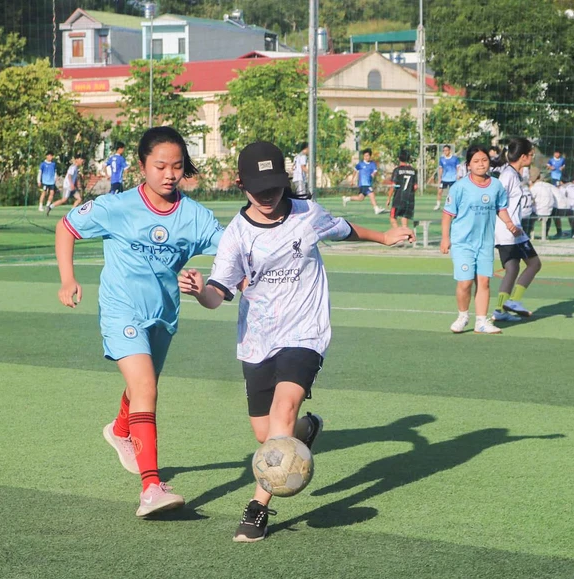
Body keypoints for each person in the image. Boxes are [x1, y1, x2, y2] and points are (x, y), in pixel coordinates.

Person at [178, 141, 414, 543]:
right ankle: (307, 430)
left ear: (286, 181)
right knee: (265, 434)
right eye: (259, 188)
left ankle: (257, 509)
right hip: (257, 338)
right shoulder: (235, 235)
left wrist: (385, 236)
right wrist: (200, 291)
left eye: (275, 186)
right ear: (240, 184)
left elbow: (344, 228)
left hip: (305, 332)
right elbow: (219, 293)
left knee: (282, 412)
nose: (269, 195)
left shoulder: (307, 214)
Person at [54, 126, 224, 518]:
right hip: (120, 310)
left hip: (162, 314)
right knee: (145, 385)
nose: (169, 174)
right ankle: (151, 487)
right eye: (160, 165)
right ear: (141, 166)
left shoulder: (195, 217)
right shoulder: (117, 206)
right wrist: (68, 278)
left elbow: (232, 252)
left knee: (142, 386)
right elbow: (66, 228)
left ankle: (119, 430)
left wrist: (207, 283)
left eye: (177, 167)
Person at [441, 144, 520, 335]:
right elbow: (447, 214)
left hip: (485, 243)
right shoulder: (460, 187)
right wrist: (445, 238)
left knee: (483, 282)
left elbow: (501, 207)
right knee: (465, 282)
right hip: (463, 243)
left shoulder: (496, 185)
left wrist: (509, 224)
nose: (481, 164)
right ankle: (462, 316)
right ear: (468, 165)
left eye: (484, 160)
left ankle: (482, 322)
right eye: (476, 161)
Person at [492, 138, 542, 322]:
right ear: (523, 156)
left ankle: (499, 309)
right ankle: (514, 300)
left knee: (512, 268)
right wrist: (510, 224)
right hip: (510, 232)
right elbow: (496, 200)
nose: (533, 156)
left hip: (509, 230)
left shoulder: (512, 173)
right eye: (531, 154)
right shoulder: (508, 176)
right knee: (534, 264)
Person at [343, 148, 384, 214]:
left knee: (360, 198)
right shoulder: (360, 164)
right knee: (371, 194)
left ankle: (346, 198)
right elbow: (355, 171)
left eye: (367, 156)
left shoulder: (372, 164)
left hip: (369, 183)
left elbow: (375, 171)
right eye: (365, 156)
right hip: (363, 184)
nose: (366, 157)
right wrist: (352, 180)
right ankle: (376, 209)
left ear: (370, 156)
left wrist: (373, 174)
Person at [389, 150, 417, 229]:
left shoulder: (397, 170)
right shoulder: (413, 171)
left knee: (393, 217)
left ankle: (399, 235)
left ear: (398, 158)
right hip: (409, 198)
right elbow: (415, 187)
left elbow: (393, 185)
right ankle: (405, 235)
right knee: (404, 219)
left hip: (398, 198)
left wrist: (388, 198)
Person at [434, 144, 460, 210]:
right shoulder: (442, 159)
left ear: (449, 150)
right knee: (439, 191)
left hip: (453, 179)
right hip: (444, 179)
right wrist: (440, 177)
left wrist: (458, 176)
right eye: (444, 150)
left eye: (446, 150)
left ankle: (452, 205)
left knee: (452, 193)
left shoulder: (455, 158)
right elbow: (441, 168)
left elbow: (458, 168)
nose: (445, 152)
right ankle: (438, 205)